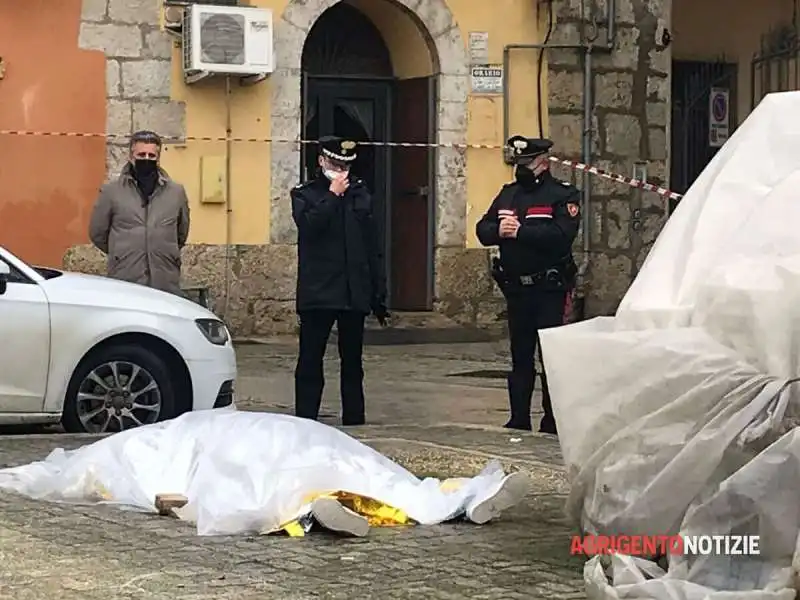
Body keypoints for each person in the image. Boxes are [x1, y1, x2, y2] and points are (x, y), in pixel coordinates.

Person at [476, 135, 580, 434]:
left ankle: (552, 419)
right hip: (517, 288)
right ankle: (518, 417)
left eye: (527, 162)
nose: (521, 168)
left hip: (550, 288)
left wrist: (521, 232)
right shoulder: (508, 195)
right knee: (520, 354)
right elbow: (483, 229)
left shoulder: (562, 195)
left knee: (550, 355)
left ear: (543, 163)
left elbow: (562, 235)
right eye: (518, 162)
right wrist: (499, 230)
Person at [291, 136, 389, 426]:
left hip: (352, 289)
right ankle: (305, 419)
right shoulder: (305, 194)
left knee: (353, 363)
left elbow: (372, 245)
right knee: (311, 359)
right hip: (318, 290)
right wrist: (332, 196)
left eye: (346, 165)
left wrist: (377, 291)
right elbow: (309, 226)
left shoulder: (360, 193)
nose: (341, 170)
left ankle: (355, 419)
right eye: (335, 164)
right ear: (321, 161)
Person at [89, 130, 190, 296]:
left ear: (158, 159)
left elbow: (181, 233)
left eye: (151, 155)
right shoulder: (112, 191)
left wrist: (160, 250)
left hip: (164, 280)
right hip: (126, 278)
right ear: (131, 156)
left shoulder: (176, 193)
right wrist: (121, 253)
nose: (146, 159)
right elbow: (97, 232)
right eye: (141, 154)